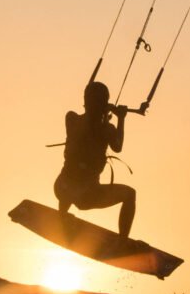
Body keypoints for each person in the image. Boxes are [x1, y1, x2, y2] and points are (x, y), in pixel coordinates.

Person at [53, 81, 137, 238]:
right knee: (74, 177)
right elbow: (92, 131)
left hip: (78, 193)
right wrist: (117, 117)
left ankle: (123, 240)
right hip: (73, 192)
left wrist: (117, 117)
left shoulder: (97, 126)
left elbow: (116, 146)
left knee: (130, 194)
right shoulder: (74, 119)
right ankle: (62, 215)